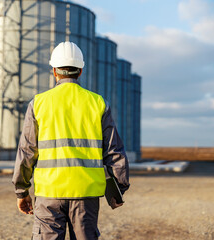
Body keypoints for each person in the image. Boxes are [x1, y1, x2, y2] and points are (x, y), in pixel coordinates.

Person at [12, 41, 130, 240]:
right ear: (80, 71)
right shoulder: (98, 103)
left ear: (54, 71)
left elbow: (27, 151)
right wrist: (118, 189)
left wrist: (21, 191)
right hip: (86, 194)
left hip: (49, 194)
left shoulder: (38, 103)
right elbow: (114, 151)